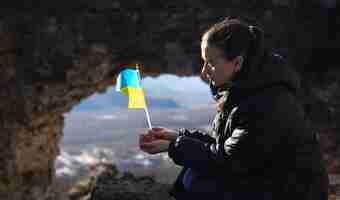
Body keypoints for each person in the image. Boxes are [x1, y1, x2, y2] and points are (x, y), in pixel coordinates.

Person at [139, 17, 329, 200]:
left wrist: (173, 147)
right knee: (193, 169)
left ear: (237, 63)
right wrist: (175, 136)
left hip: (293, 192)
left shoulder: (267, 102)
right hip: (269, 179)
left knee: (197, 181)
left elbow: (229, 160)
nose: (204, 71)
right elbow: (229, 147)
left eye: (211, 63)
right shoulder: (244, 88)